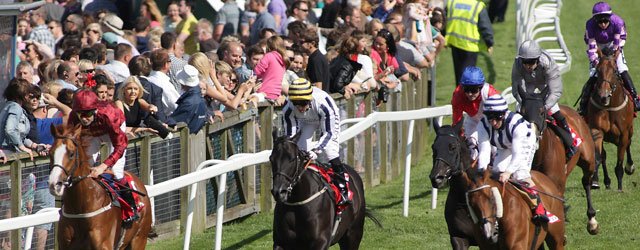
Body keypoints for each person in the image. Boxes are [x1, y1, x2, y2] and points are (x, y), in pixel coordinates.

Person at [68, 90, 139, 223]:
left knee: (117, 172)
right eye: (80, 114)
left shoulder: (109, 115)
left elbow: (120, 146)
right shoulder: (73, 117)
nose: (84, 118)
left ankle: (131, 208)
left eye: (88, 113)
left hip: (113, 131)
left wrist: (103, 166)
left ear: (95, 110)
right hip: (93, 134)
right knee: (83, 168)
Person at [476, 95, 549, 224]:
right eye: (490, 117)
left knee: (519, 175)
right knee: (496, 172)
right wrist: (482, 172)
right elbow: (484, 151)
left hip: (525, 142)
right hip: (504, 145)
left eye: (497, 117)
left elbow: (518, 154)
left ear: (503, 114)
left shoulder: (517, 125)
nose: (493, 122)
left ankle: (539, 207)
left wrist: (508, 172)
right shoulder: (483, 125)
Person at [282, 78, 350, 205]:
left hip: (325, 117)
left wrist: (316, 150)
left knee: (330, 151)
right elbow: (291, 136)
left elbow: (329, 133)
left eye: (303, 103)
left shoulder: (323, 103)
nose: (300, 107)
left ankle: (343, 188)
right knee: (300, 148)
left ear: (310, 98)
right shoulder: (288, 107)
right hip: (306, 121)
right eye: (296, 103)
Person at [511, 40, 577, 158]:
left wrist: (544, 107)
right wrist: (525, 104)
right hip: (528, 87)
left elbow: (555, 91)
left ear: (537, 59)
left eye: (531, 62)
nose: (527, 66)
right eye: (525, 62)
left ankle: (570, 142)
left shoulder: (548, 62)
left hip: (545, 86)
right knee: (518, 111)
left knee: (555, 111)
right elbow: (517, 88)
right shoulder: (518, 63)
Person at [579, 1, 640, 113]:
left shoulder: (618, 22)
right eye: (600, 21)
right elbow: (592, 48)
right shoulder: (590, 24)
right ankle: (583, 104)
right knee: (594, 74)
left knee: (622, 69)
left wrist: (614, 59)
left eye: (605, 20)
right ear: (595, 20)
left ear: (610, 18)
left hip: (614, 44)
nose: (603, 24)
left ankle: (635, 97)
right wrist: (597, 63)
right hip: (597, 45)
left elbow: (618, 45)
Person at [451, 66, 499, 159]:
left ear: (481, 87)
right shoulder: (458, 95)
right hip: (473, 120)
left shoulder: (490, 93)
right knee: (471, 149)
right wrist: (460, 136)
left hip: (491, 121)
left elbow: (500, 117)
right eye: (466, 89)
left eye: (473, 90)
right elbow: (457, 122)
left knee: (495, 149)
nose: (469, 94)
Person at [445, 0, 494, 84]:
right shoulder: (478, 6)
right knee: (467, 77)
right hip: (470, 46)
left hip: (454, 42)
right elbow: (485, 27)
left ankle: (459, 95)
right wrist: (489, 42)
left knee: (459, 74)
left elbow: (443, 20)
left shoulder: (452, 3)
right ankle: (464, 95)